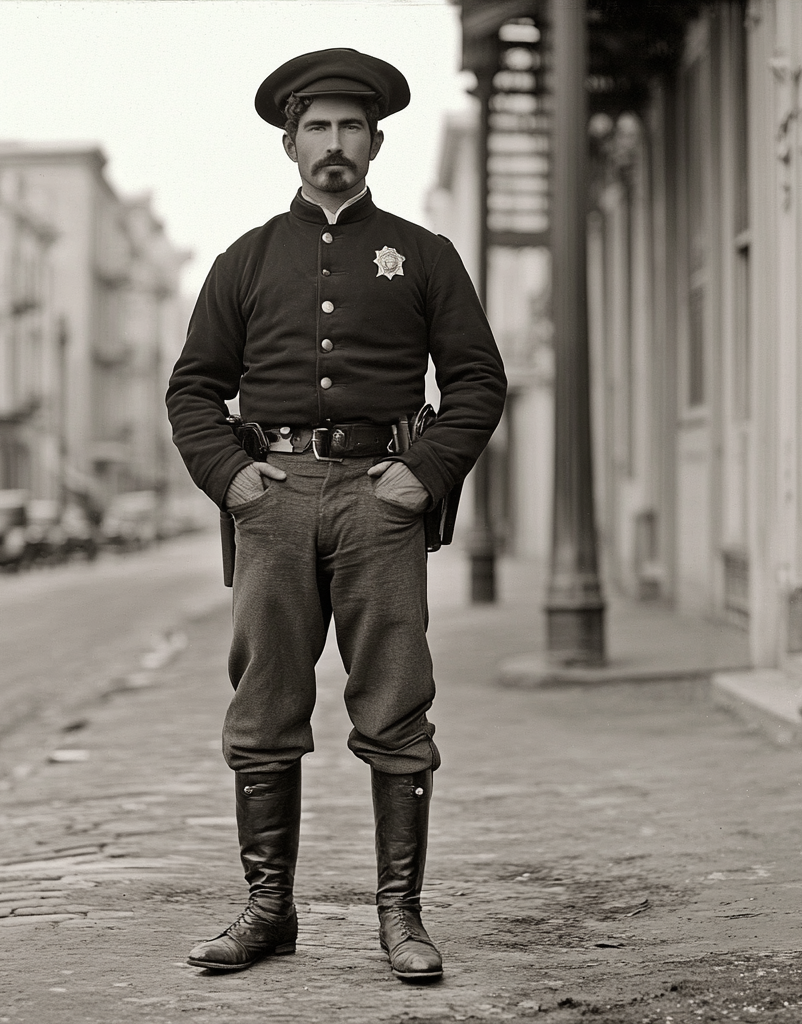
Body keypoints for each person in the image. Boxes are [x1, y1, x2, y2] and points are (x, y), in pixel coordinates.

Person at [166, 47, 506, 982]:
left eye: (351, 127)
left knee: (396, 702)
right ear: (289, 143)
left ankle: (402, 919)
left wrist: (423, 475)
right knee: (265, 700)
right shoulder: (246, 259)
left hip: (381, 498)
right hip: (271, 498)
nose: (335, 145)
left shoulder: (424, 255)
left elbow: (477, 380)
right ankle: (268, 911)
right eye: (317, 127)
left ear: (378, 141)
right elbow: (194, 388)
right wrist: (231, 478)